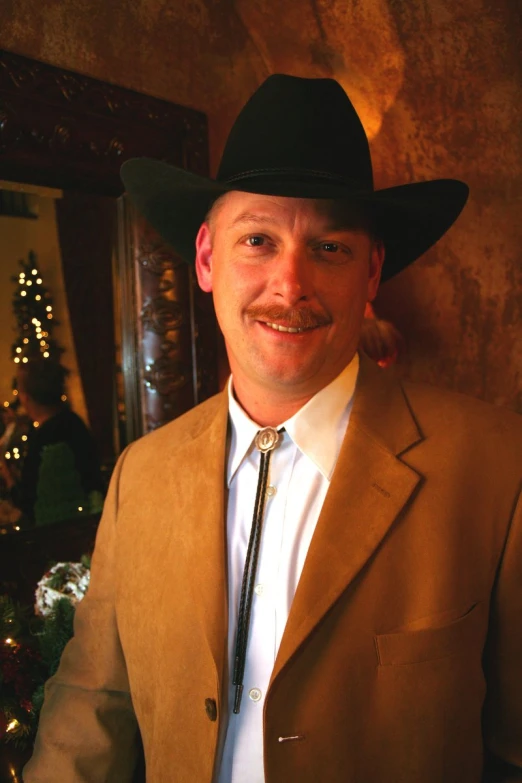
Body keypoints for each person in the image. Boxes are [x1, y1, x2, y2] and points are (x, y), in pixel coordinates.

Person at [24, 76, 521, 782]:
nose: (290, 285)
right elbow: (89, 712)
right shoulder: (141, 475)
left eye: (330, 248)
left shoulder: (498, 468)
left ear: (372, 270)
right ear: (205, 260)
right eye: (257, 240)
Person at [4, 359, 104, 525]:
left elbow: (31, 503)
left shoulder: (46, 440)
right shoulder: (73, 422)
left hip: (59, 535)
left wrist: (8, 476)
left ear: (26, 397)